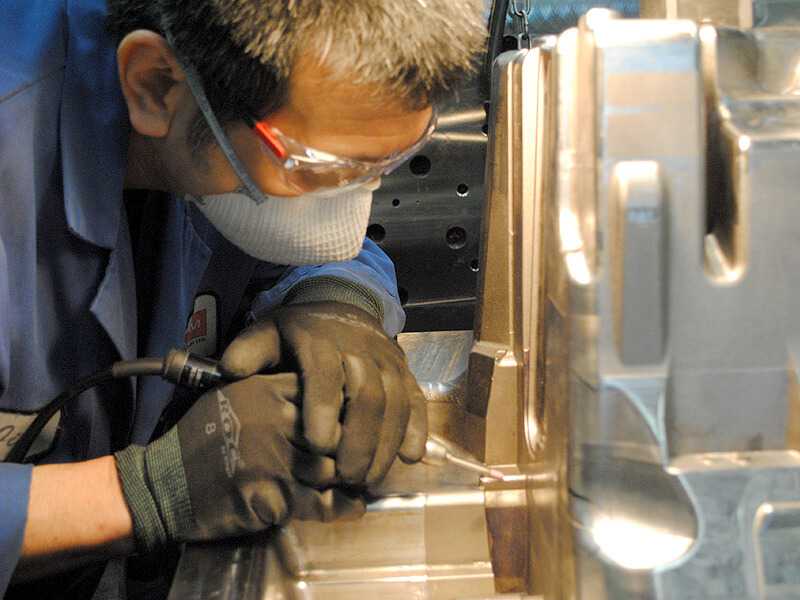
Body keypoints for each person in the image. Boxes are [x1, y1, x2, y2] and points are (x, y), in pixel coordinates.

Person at [0, 0, 486, 598]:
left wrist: (334, 299)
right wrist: (142, 492)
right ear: (155, 85)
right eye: (318, 169)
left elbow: (326, 241)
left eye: (389, 162)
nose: (352, 206)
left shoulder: (224, 117)